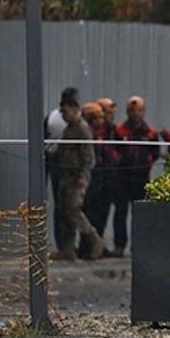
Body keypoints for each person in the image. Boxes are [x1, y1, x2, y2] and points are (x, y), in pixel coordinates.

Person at [51, 92, 105, 261]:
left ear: (75, 110)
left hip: (77, 177)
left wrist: (83, 174)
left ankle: (94, 239)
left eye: (65, 111)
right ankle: (68, 249)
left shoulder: (82, 128)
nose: (63, 115)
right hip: (66, 175)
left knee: (73, 210)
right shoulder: (69, 129)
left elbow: (89, 156)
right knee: (64, 211)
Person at [106, 96, 158, 257]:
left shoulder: (150, 133)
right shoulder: (120, 131)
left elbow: (155, 153)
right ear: (128, 112)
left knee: (140, 215)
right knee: (120, 213)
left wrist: (145, 164)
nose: (136, 113)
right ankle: (119, 246)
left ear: (144, 112)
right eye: (132, 110)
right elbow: (113, 151)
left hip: (141, 180)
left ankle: (139, 246)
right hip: (122, 180)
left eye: (139, 110)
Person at [44, 86, 76, 252]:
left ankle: (65, 243)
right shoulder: (71, 119)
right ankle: (64, 244)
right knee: (64, 204)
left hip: (59, 163)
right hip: (60, 164)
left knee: (64, 205)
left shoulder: (52, 117)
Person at [80, 101, 112, 249]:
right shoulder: (87, 133)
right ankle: (89, 245)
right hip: (90, 177)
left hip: (101, 177)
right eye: (99, 117)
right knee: (88, 211)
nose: (103, 119)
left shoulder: (102, 133)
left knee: (99, 212)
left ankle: (93, 245)